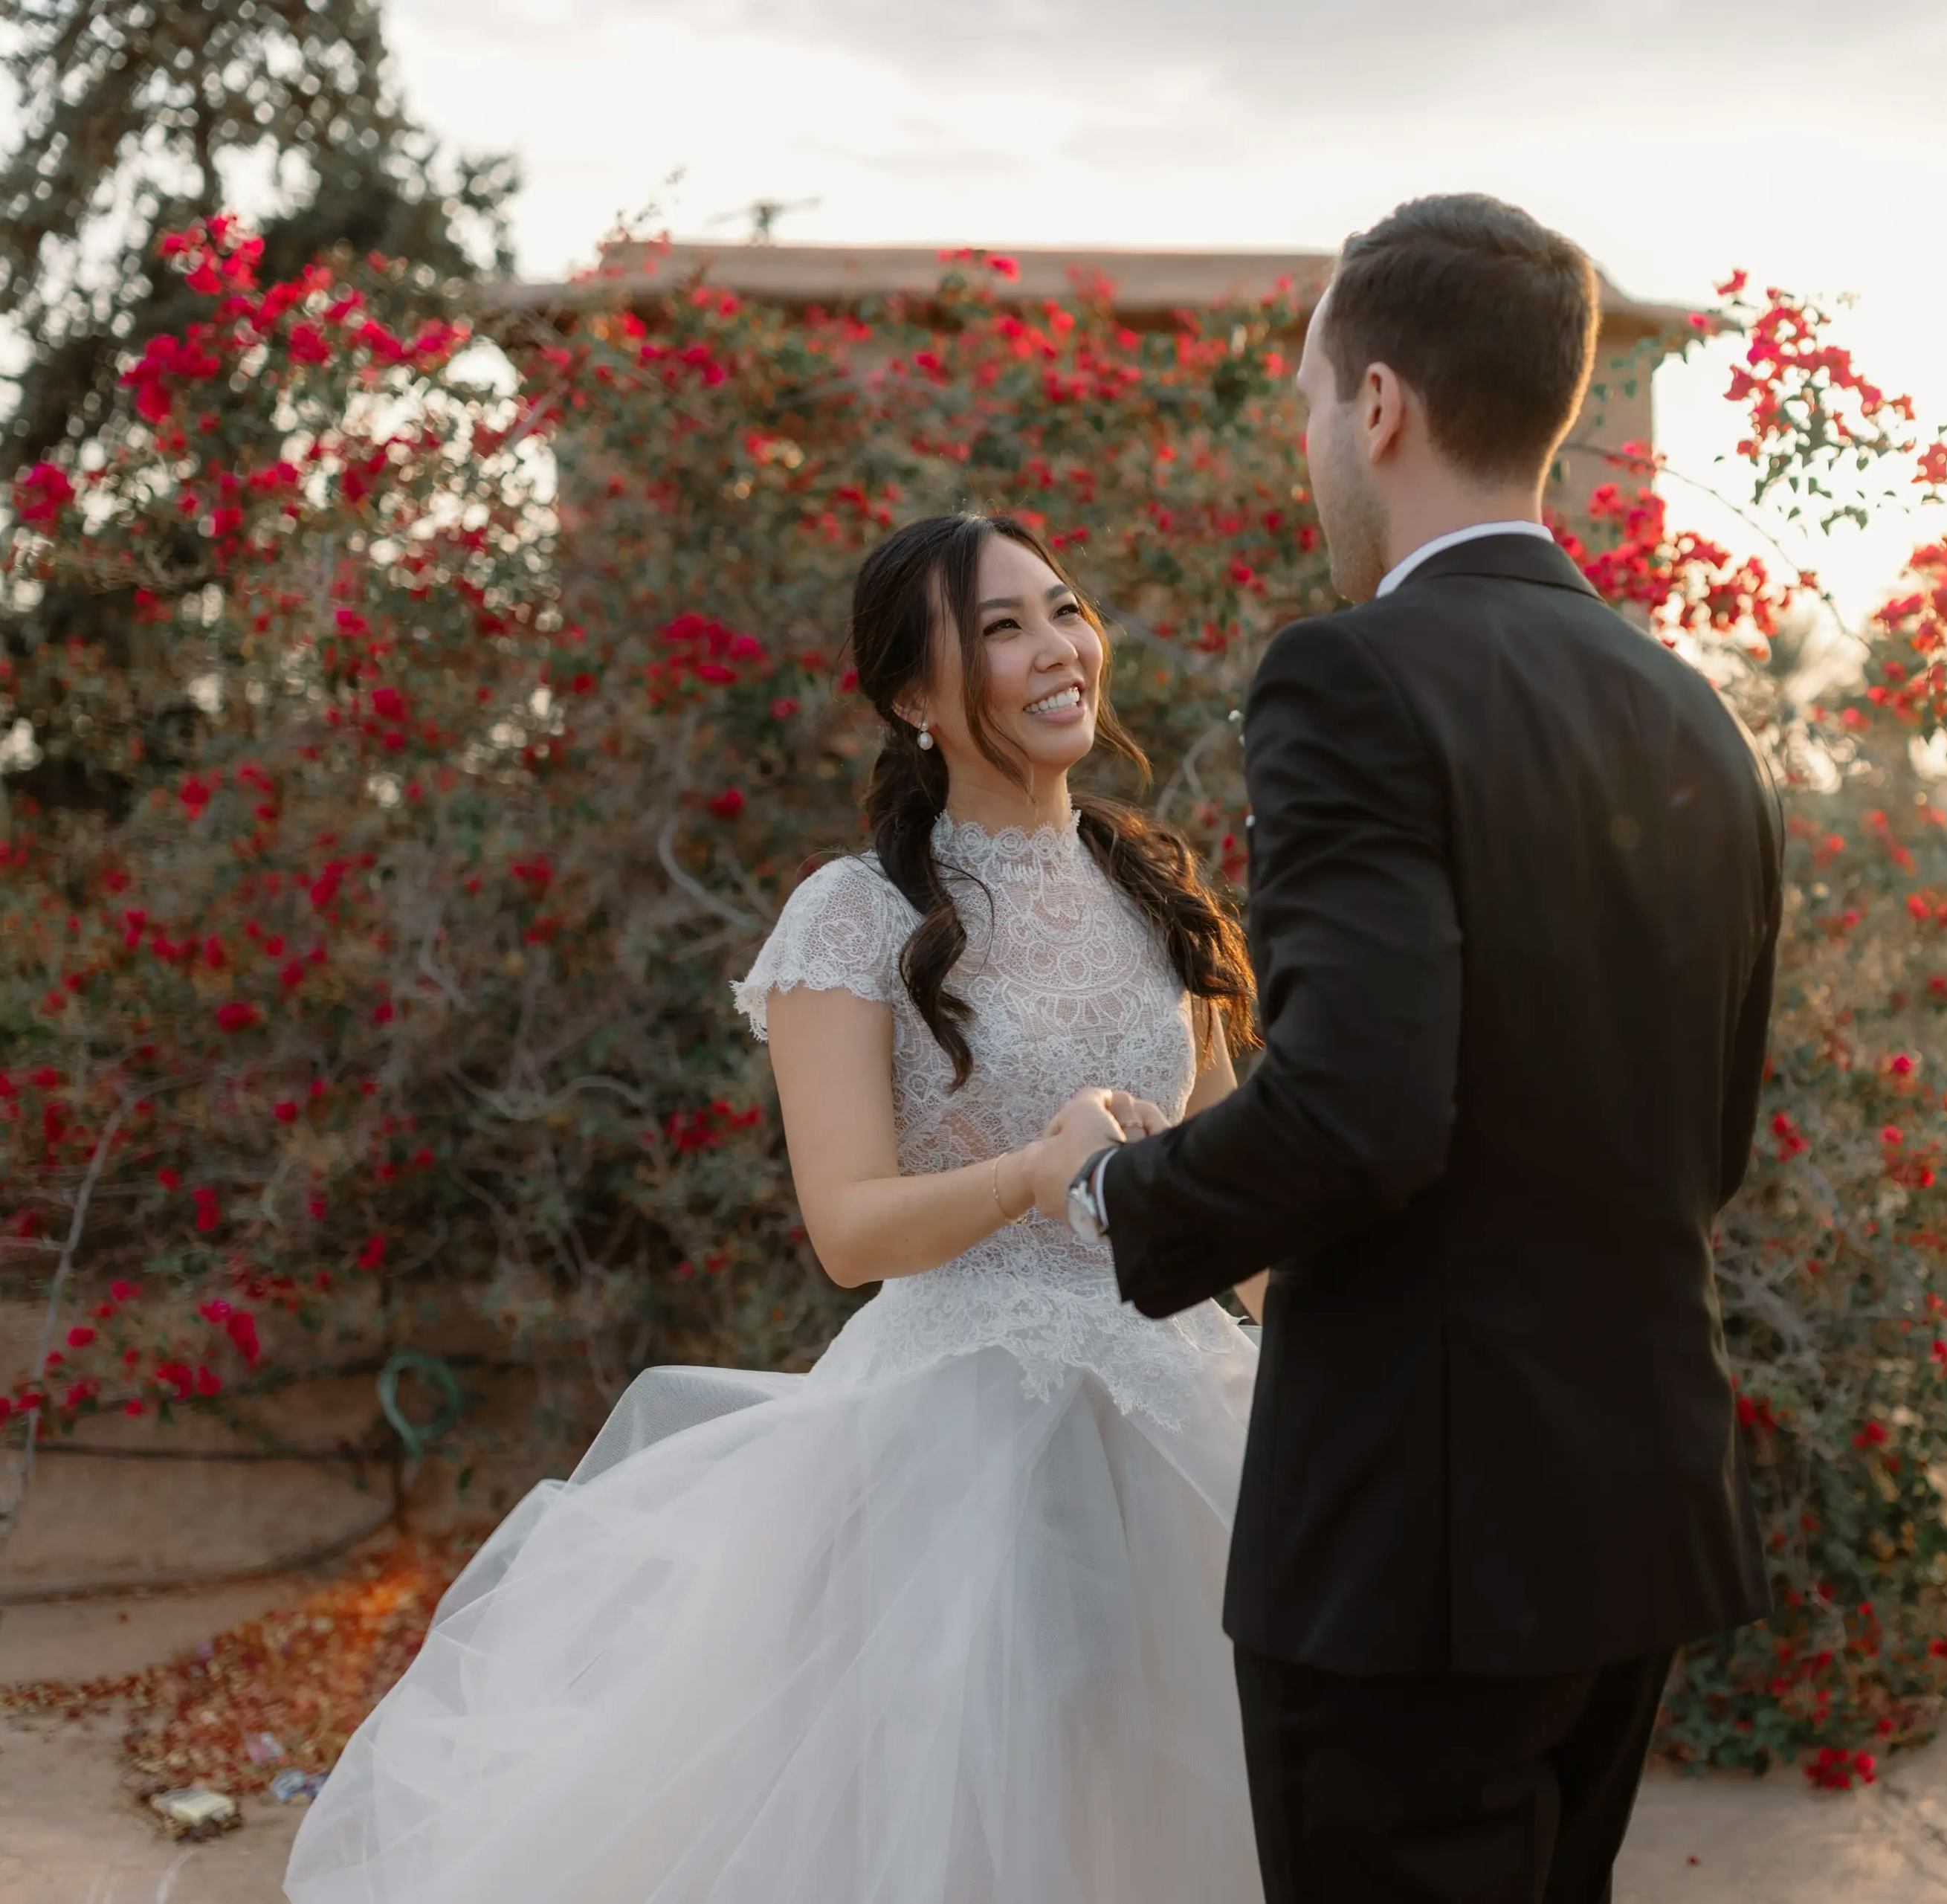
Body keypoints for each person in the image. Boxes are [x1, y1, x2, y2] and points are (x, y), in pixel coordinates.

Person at [285, 513, 1270, 1903]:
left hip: (1180, 1421)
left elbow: (1245, 1193)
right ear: (913, 700)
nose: (1057, 649)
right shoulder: (853, 916)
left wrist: (1339, 1360)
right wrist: (1032, 1176)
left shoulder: (1156, 889)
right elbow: (850, 1226)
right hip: (956, 1443)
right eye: (999, 628)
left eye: (1063, 608)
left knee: (1178, 1797)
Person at [1030, 193, 1783, 1904]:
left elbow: (1362, 1109)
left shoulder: (1352, 681)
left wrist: (1114, 1196)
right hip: (1631, 1509)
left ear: (1378, 406)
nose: (1310, 451)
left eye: (1308, 410)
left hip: (1417, 1550)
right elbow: (1710, 1129)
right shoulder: (1696, 714)